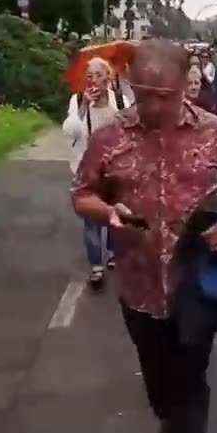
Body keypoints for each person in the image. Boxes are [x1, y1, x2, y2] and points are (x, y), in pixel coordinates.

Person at [72, 40, 217, 433]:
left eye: (163, 95)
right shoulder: (109, 137)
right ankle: (169, 425)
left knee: (191, 381)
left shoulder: (216, 133)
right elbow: (82, 194)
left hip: (197, 288)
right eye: (143, 93)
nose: (152, 105)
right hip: (139, 287)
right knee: (158, 381)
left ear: (183, 86)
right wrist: (108, 211)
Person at [62, 57, 133, 290]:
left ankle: (112, 251)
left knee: (114, 214)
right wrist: (83, 109)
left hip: (115, 169)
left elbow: (131, 125)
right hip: (87, 170)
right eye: (89, 76)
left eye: (98, 75)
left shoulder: (119, 98)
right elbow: (69, 131)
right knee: (91, 220)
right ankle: (96, 266)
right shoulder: (79, 99)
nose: (94, 81)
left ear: (108, 77)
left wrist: (113, 108)